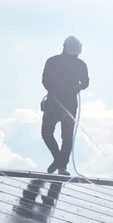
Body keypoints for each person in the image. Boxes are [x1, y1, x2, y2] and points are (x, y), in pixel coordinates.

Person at [41, 36, 89, 175]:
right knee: (50, 134)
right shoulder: (55, 62)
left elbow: (85, 83)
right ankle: (59, 161)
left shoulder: (56, 62)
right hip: (56, 103)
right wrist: (77, 87)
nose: (75, 57)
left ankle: (61, 165)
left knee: (62, 136)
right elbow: (46, 81)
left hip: (60, 103)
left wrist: (78, 86)